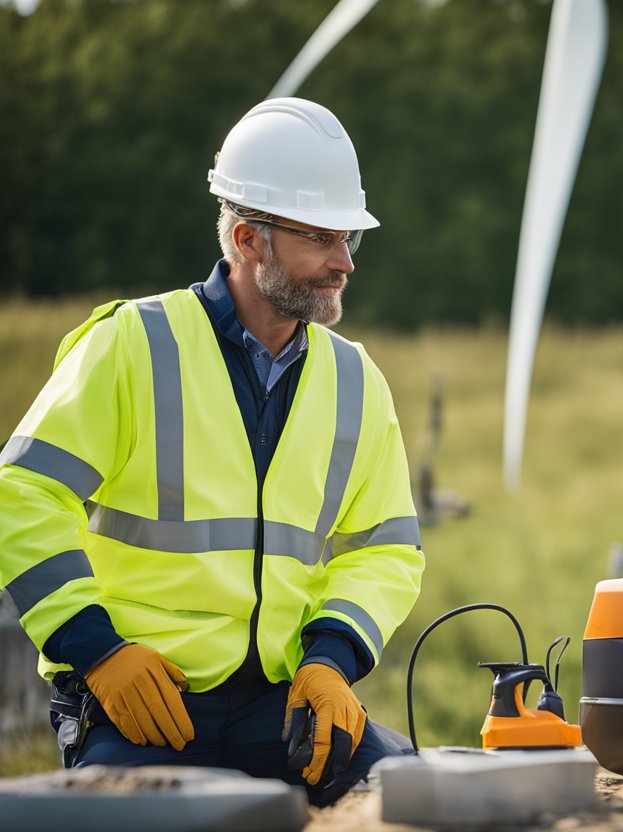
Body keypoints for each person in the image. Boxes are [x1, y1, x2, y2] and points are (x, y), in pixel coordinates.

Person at [0, 98, 425, 807]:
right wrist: (97, 651)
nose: (344, 262)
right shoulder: (132, 345)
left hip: (285, 706)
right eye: (322, 237)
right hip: (143, 703)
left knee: (421, 797)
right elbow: (22, 491)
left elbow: (385, 547)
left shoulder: (357, 382)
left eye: (350, 238)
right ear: (248, 240)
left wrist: (331, 660)